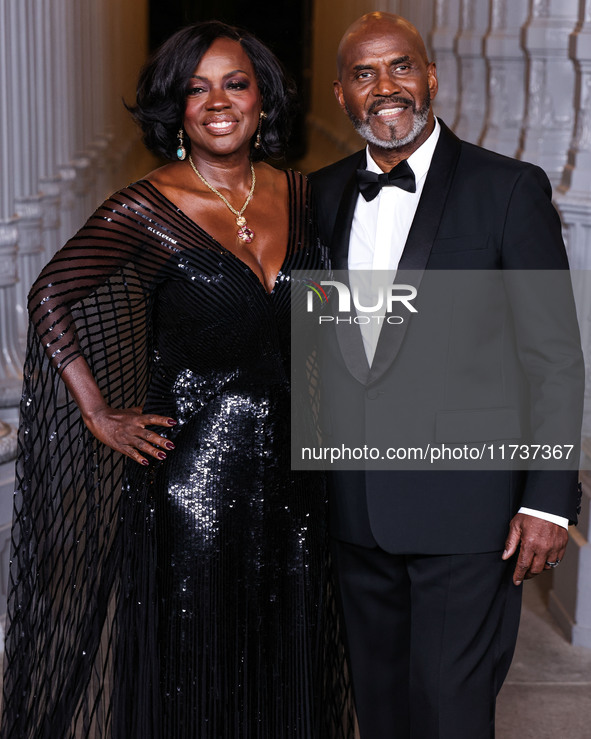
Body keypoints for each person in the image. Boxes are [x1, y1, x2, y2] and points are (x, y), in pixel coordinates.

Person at [1, 21, 353, 739]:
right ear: (176, 107)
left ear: (262, 99)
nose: (217, 101)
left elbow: (337, 322)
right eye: (196, 88)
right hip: (187, 478)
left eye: (235, 83)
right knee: (196, 658)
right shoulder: (144, 206)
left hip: (298, 476)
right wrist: (98, 412)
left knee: (288, 647)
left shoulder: (306, 195)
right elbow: (49, 296)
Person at [308, 12, 584, 739]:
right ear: (341, 94)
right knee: (381, 711)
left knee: (450, 713)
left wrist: (549, 500)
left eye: (400, 66)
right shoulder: (321, 194)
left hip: (469, 514)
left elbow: (552, 354)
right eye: (363, 74)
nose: (384, 86)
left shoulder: (507, 189)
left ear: (430, 77)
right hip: (354, 509)